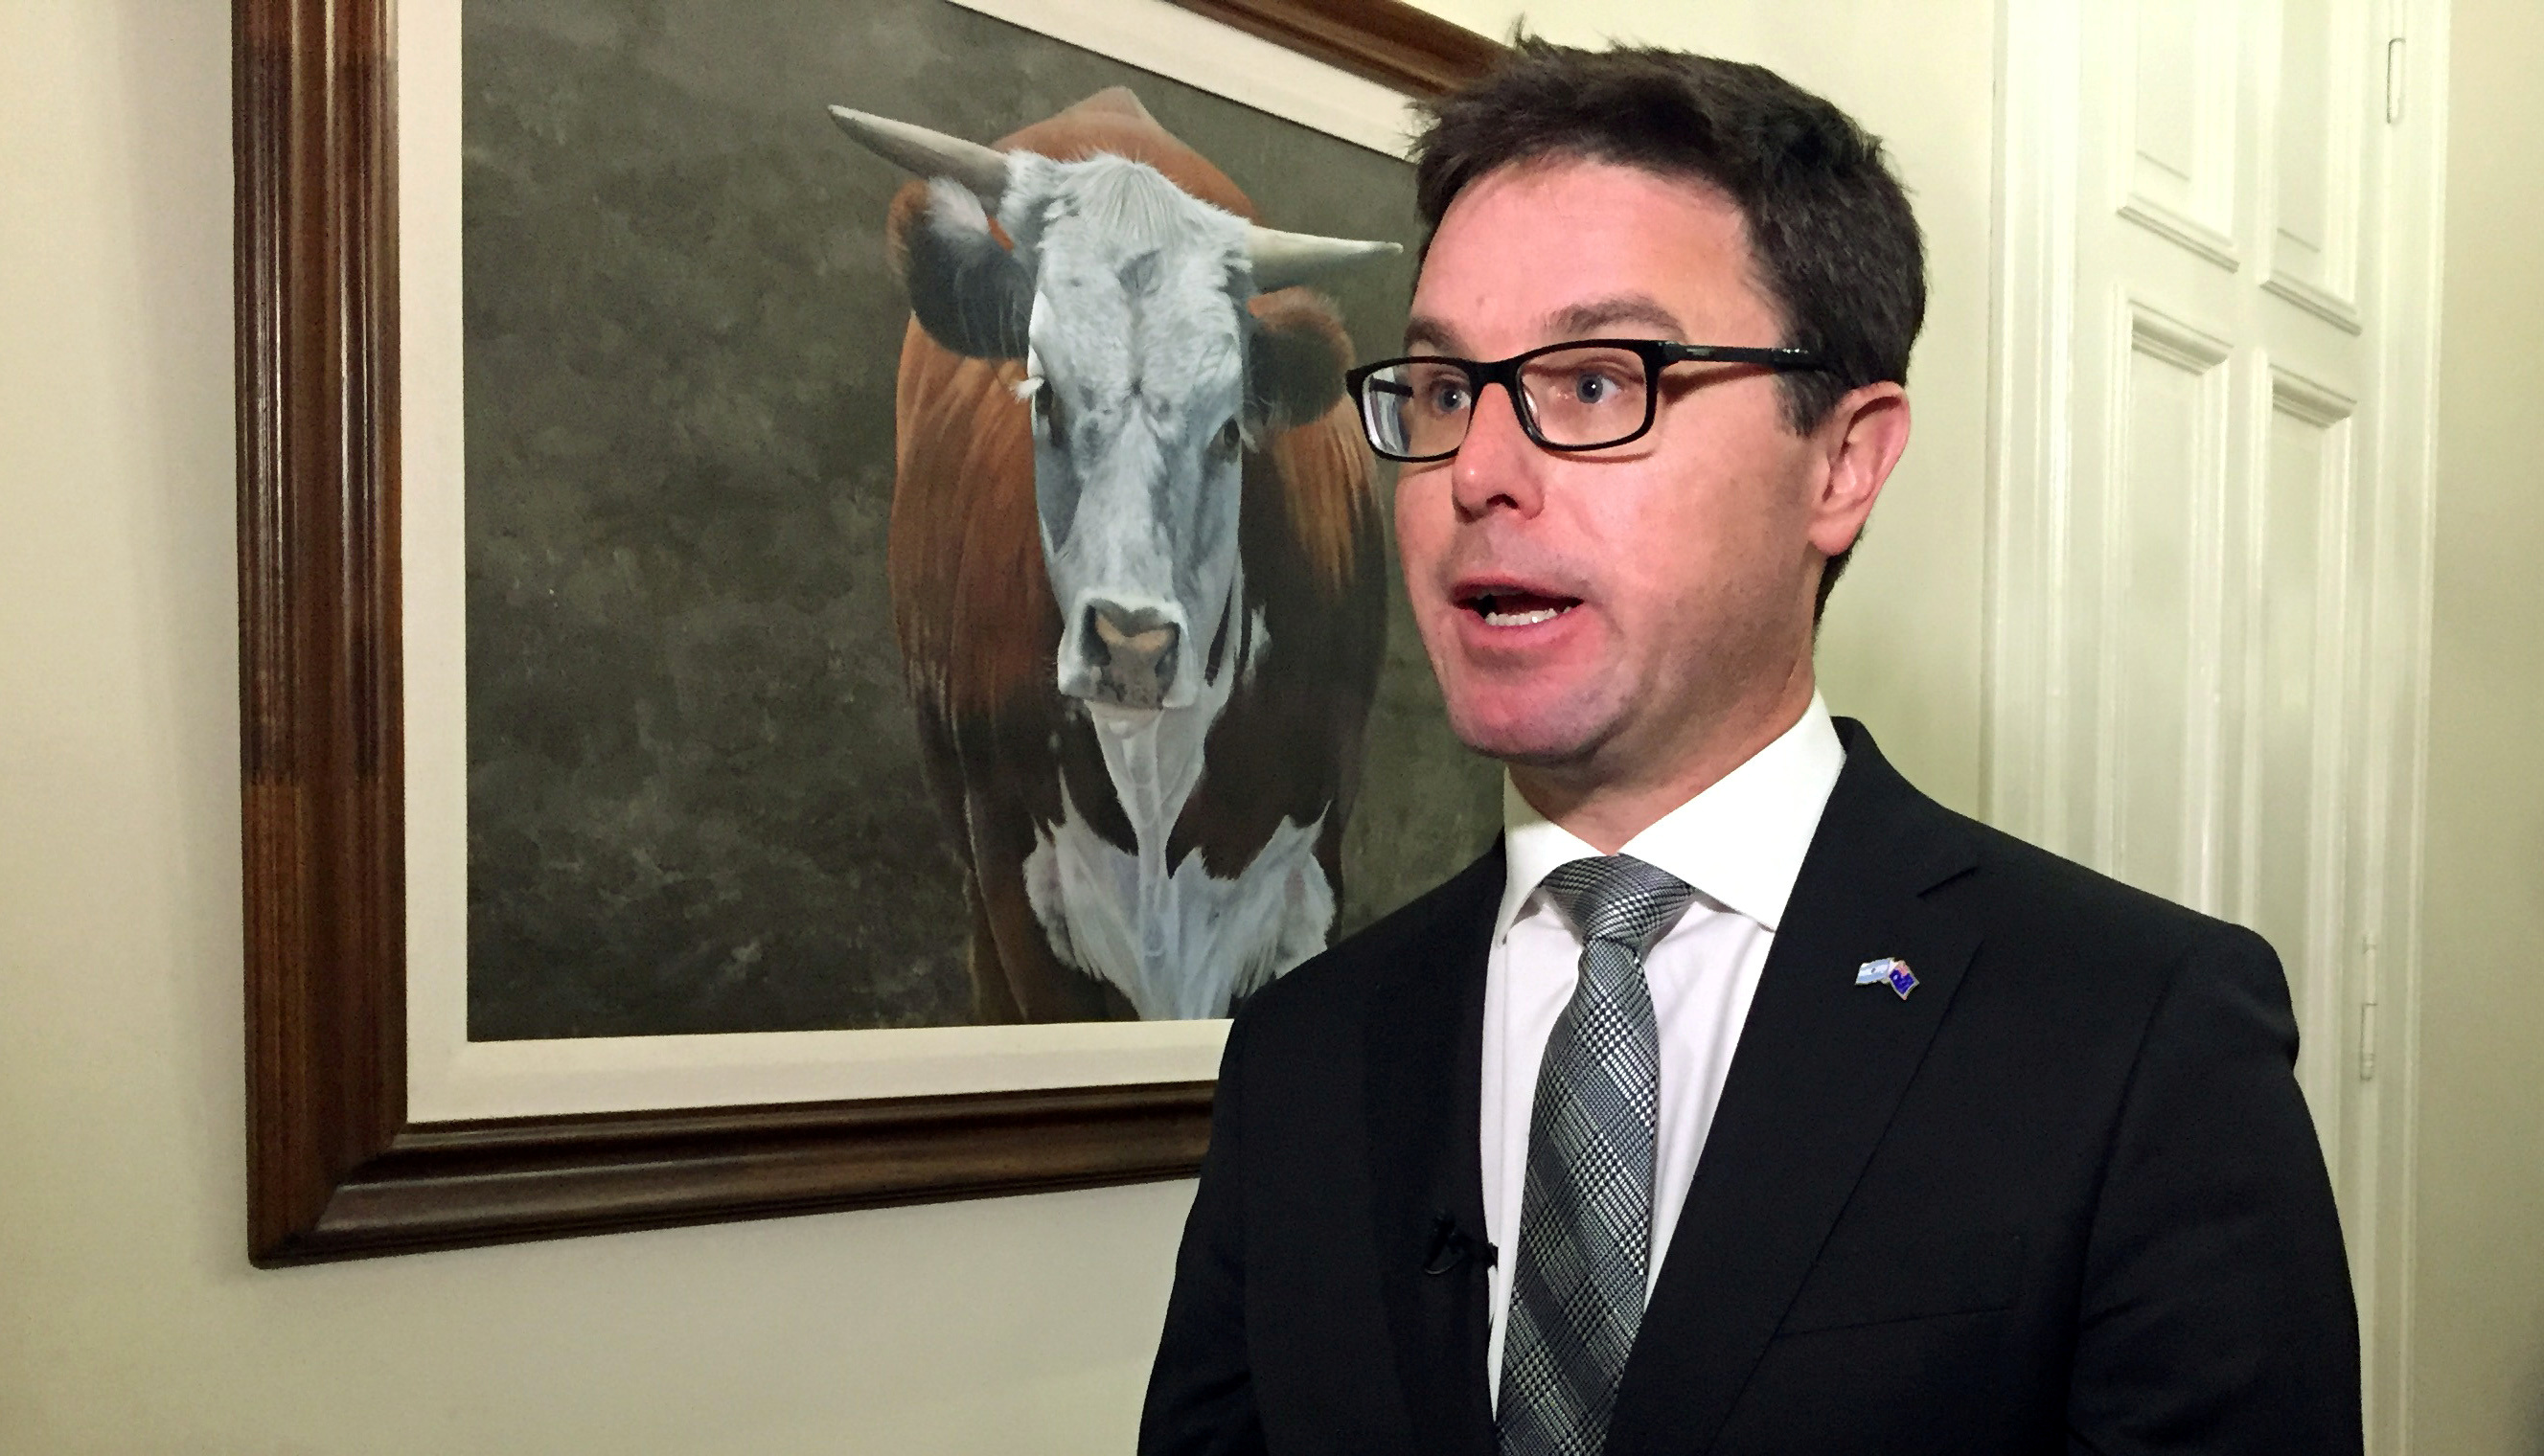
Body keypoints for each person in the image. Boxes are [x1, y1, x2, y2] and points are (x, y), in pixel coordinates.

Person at [1139, 39, 2359, 1456]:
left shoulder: (2140, 1039)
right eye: (1444, 387)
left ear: (1841, 461)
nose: (1477, 469)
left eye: (1597, 383)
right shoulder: (1305, 1058)